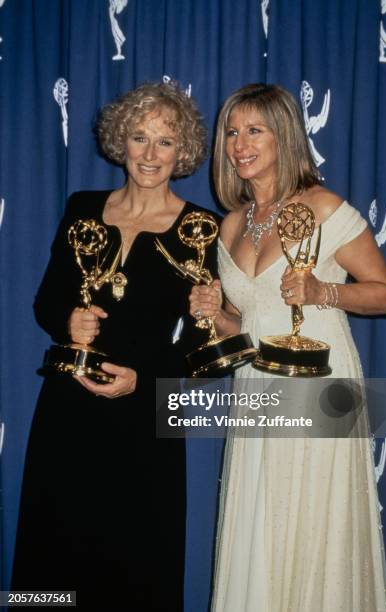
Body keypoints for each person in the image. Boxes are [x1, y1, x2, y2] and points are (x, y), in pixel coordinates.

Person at [189, 83, 386, 612]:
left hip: (321, 382)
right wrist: (216, 311)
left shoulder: (324, 207)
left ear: (284, 136)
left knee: (313, 519)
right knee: (261, 515)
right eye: (232, 132)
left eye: (254, 130)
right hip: (257, 387)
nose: (239, 144)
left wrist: (322, 290)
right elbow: (250, 320)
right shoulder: (230, 226)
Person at [12, 82, 219, 611]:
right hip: (68, 407)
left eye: (165, 142)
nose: (150, 155)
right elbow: (44, 302)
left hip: (145, 414)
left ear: (184, 150)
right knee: (54, 550)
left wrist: (143, 380)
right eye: (139, 137)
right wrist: (69, 320)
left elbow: (203, 346)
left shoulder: (202, 229)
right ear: (119, 141)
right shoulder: (82, 208)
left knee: (138, 558)